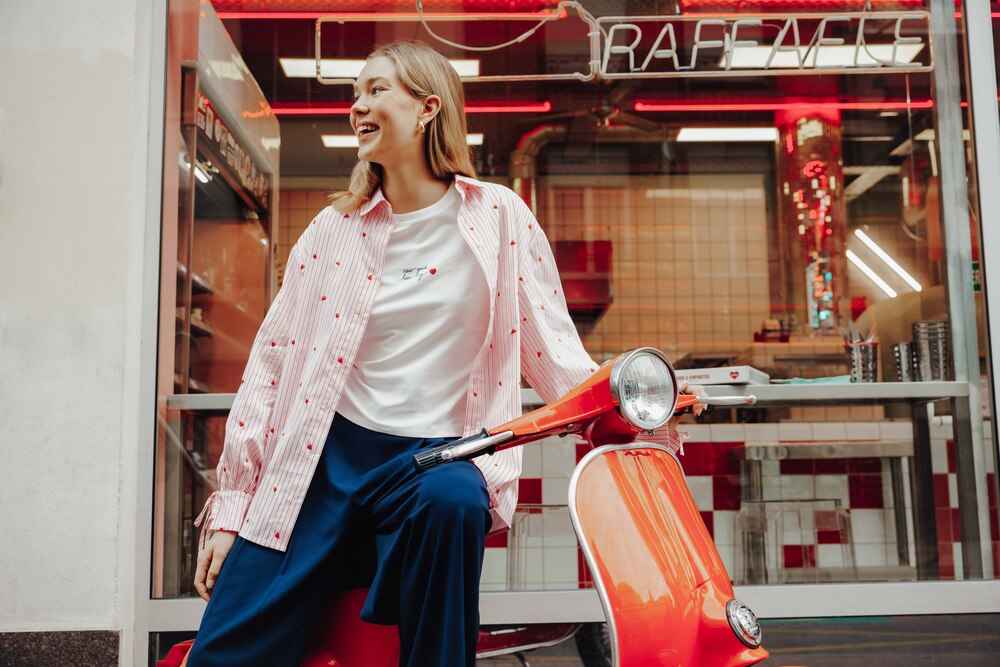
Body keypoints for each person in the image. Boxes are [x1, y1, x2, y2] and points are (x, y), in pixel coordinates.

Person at [187, 39, 685, 667]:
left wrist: (640, 416)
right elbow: (272, 366)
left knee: (454, 501)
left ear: (427, 108)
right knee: (221, 653)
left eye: (375, 90)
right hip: (323, 463)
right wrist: (232, 507)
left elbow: (555, 351)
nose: (357, 105)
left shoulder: (498, 218)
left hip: (434, 459)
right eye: (354, 94)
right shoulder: (331, 231)